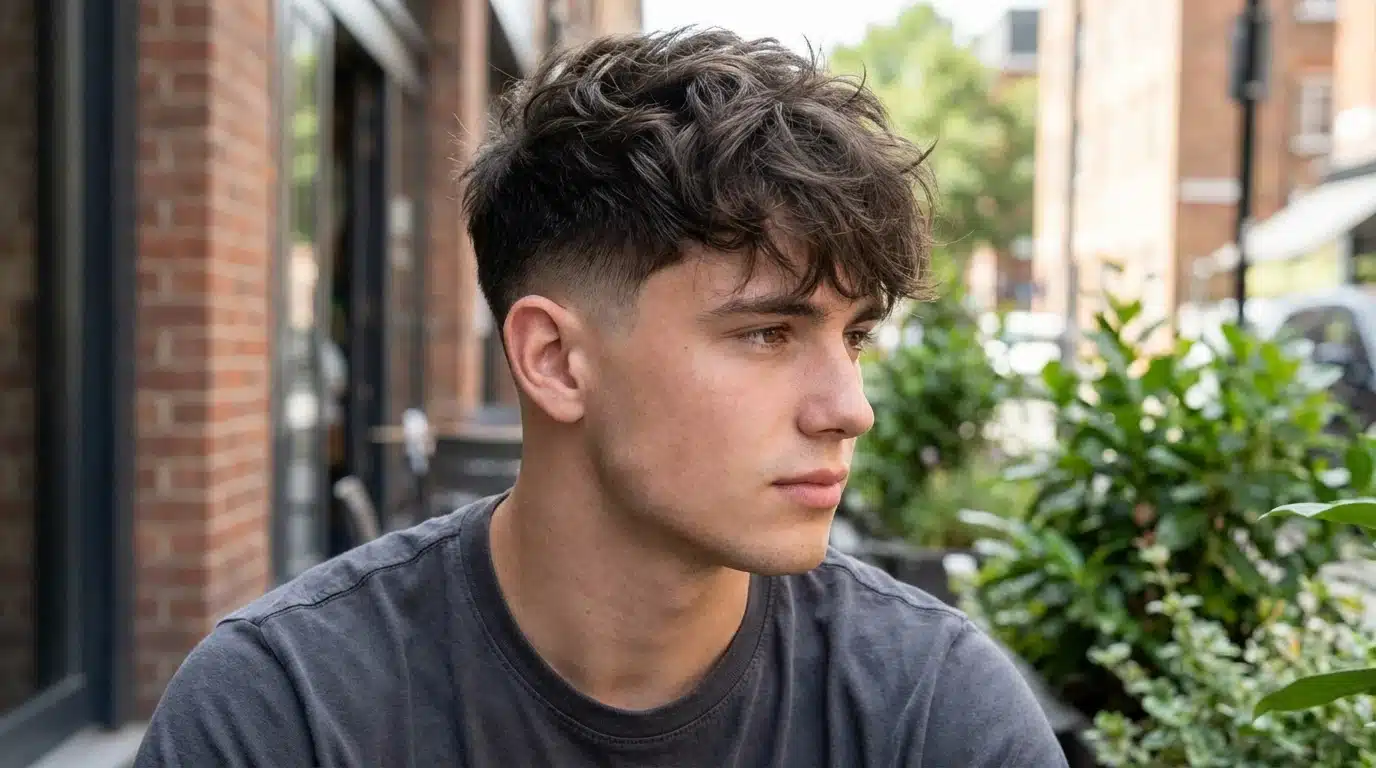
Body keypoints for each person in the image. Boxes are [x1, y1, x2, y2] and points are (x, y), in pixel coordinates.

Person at [135, 28, 1067, 767]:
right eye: (768, 333)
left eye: (854, 335)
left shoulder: (928, 710)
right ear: (554, 360)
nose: (849, 407)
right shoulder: (284, 714)